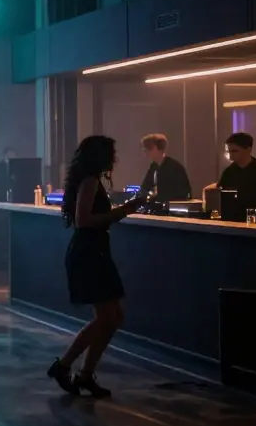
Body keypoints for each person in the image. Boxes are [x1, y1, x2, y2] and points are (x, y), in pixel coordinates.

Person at [47, 136, 142, 401]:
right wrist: (125, 210)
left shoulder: (87, 179)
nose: (114, 158)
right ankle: (66, 366)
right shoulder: (90, 181)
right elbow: (84, 219)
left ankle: (84, 373)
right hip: (91, 253)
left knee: (113, 317)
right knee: (107, 317)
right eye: (111, 153)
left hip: (93, 251)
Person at [207, 132, 256, 217]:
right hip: (233, 220)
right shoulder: (228, 172)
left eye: (234, 151)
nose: (230, 155)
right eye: (228, 151)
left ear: (248, 150)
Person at [138, 134, 191, 202]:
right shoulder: (153, 166)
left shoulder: (174, 167)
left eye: (148, 149)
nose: (145, 153)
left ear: (156, 148)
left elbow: (182, 193)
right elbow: (145, 187)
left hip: (171, 208)